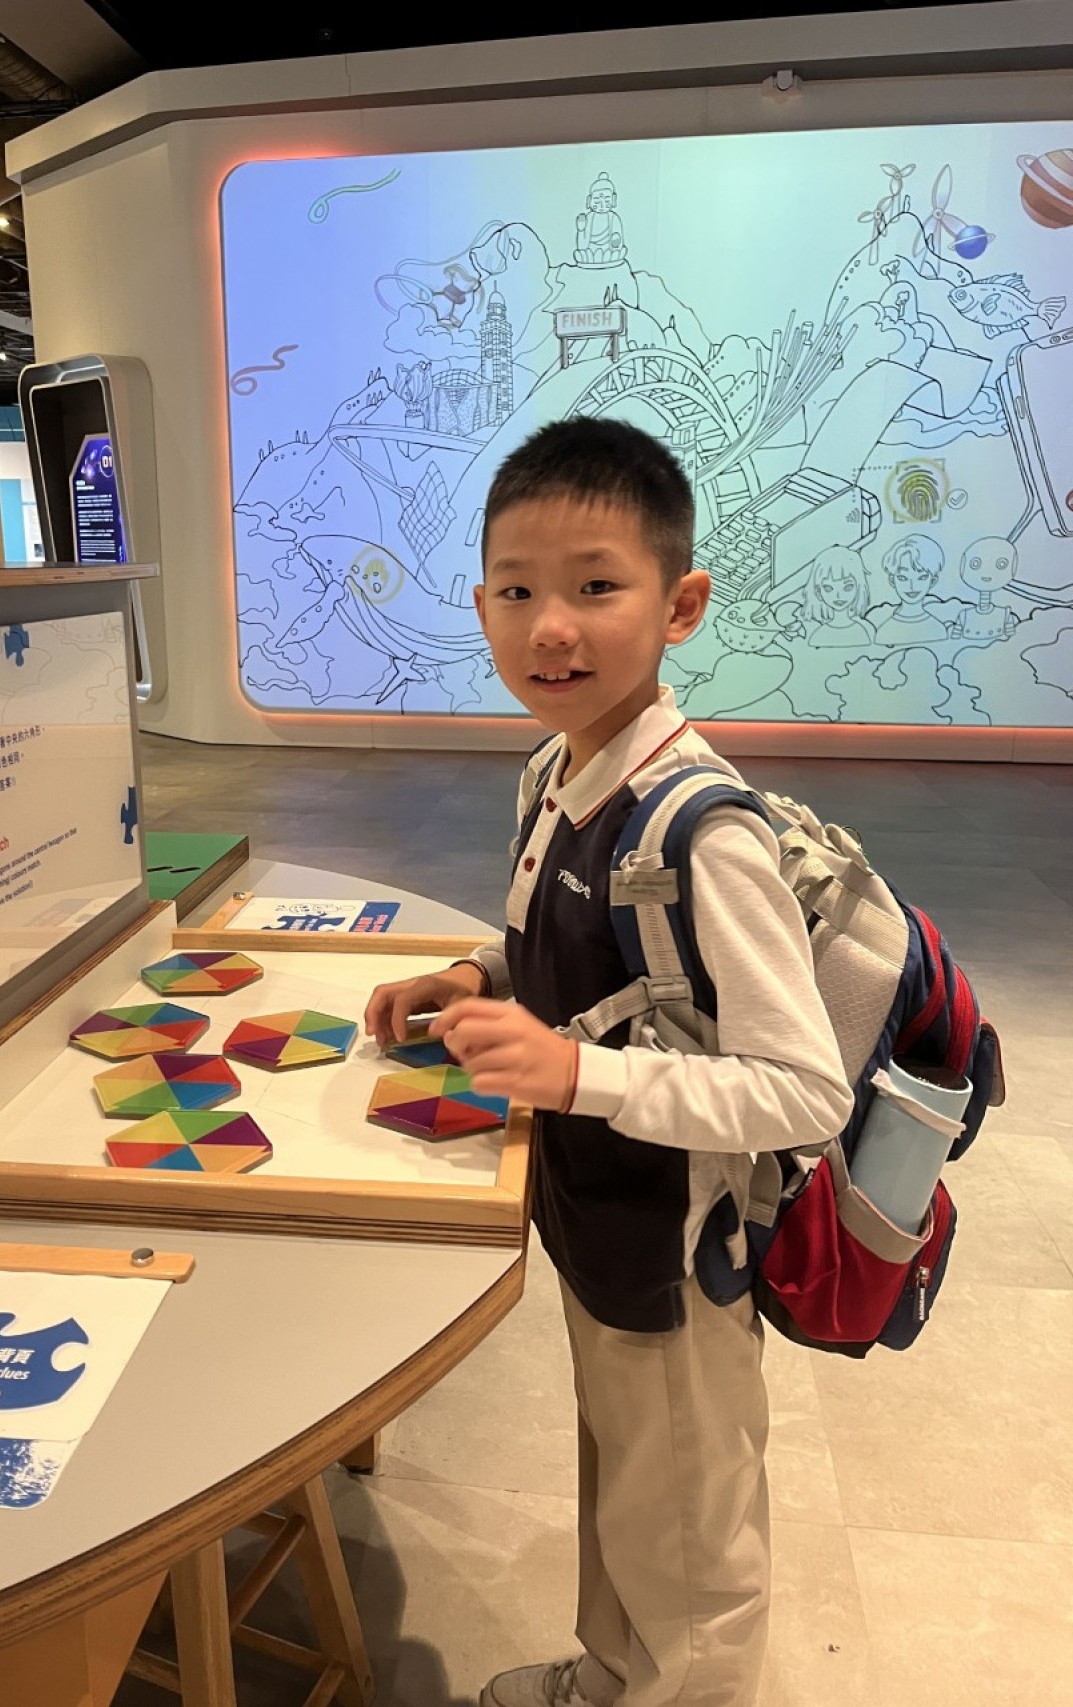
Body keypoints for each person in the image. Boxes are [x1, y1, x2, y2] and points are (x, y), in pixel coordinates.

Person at [364, 418, 852, 1707]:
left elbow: (804, 1090)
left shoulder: (703, 830)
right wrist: (477, 978)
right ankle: (614, 1673)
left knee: (691, 1527)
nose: (550, 629)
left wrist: (577, 1078)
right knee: (631, 1483)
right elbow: (572, 954)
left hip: (679, 1246)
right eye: (516, 591)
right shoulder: (557, 771)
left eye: (595, 586)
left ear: (680, 605)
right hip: (599, 1214)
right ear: (481, 604)